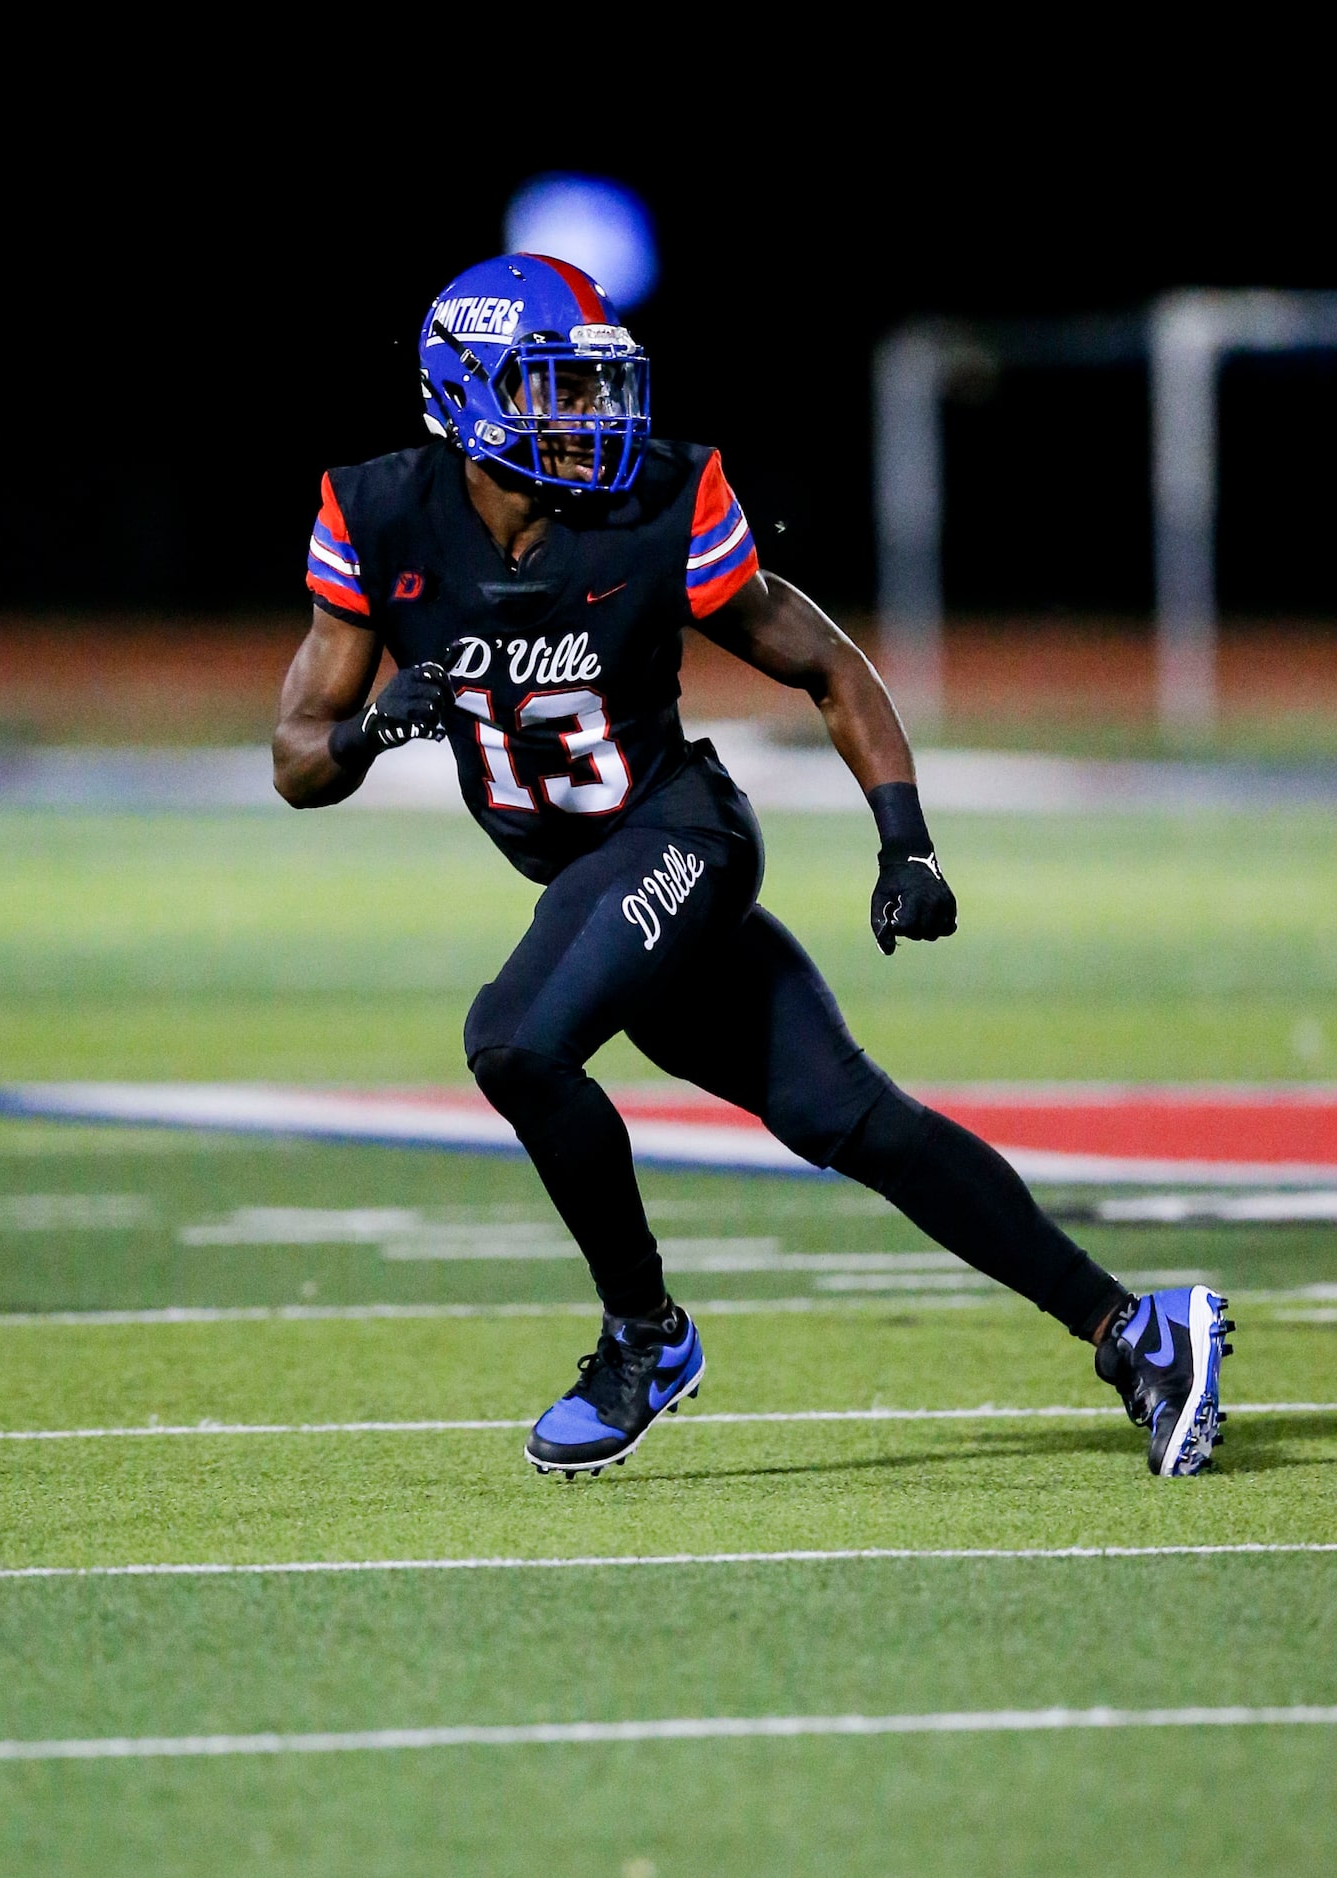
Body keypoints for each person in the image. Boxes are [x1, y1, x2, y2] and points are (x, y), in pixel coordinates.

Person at [273, 251, 1233, 1481]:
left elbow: (828, 661)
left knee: (513, 1041)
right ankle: (1139, 1332)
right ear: (467, 397)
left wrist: (906, 842)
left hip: (681, 838)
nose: (588, 417)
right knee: (857, 1122)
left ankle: (645, 1335)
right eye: (552, 391)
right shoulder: (379, 515)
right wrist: (369, 730)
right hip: (601, 886)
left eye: (592, 388)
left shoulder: (661, 502)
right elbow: (297, 760)